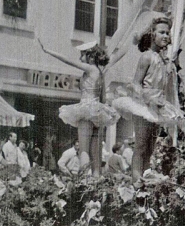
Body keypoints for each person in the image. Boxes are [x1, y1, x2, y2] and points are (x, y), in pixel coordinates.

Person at [112, 16, 185, 180]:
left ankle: (146, 175)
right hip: (144, 105)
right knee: (141, 144)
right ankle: (136, 180)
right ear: (152, 35)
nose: (166, 36)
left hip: (158, 106)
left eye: (167, 33)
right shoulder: (147, 56)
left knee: (150, 147)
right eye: (161, 32)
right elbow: (135, 83)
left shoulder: (165, 61)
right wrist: (147, 98)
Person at [38, 38, 126, 176]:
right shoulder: (100, 72)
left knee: (84, 148)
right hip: (97, 111)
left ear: (90, 56)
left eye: (83, 54)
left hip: (87, 109)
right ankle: (96, 181)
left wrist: (48, 51)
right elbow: (102, 96)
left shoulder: (91, 68)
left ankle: (84, 181)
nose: (80, 58)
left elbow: (68, 60)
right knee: (95, 151)